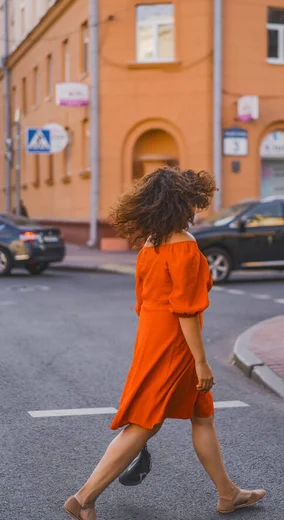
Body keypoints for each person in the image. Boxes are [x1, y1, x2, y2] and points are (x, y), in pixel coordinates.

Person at [64, 167, 265, 519]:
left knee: (202, 415)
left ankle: (228, 493)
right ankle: (84, 498)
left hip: (152, 338)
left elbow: (143, 303)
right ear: (181, 203)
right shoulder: (185, 246)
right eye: (192, 202)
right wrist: (200, 361)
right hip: (176, 344)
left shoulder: (149, 246)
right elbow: (186, 311)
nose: (195, 209)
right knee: (145, 423)